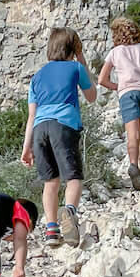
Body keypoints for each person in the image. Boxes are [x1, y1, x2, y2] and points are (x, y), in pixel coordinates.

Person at [20, 27, 97, 247]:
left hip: (39, 130)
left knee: (50, 182)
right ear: (73, 48)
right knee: (73, 177)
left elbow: (31, 116)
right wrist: (82, 61)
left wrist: (27, 148)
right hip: (63, 126)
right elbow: (91, 97)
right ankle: (69, 213)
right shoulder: (75, 67)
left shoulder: (36, 77)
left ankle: (51, 231)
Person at [96, 15, 140, 190]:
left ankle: (133, 165)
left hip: (128, 93)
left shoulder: (115, 52)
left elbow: (102, 80)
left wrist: (118, 87)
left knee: (132, 134)